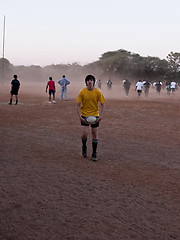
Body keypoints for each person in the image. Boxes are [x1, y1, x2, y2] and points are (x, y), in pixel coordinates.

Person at [76, 75, 105, 162]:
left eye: (91, 80)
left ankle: (94, 153)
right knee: (84, 134)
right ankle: (84, 146)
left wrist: (101, 116)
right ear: (86, 82)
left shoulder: (98, 92)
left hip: (95, 115)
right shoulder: (82, 92)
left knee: (94, 133)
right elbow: (77, 105)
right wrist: (80, 116)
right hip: (84, 115)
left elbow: (103, 104)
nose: (90, 82)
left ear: (93, 82)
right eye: (88, 80)